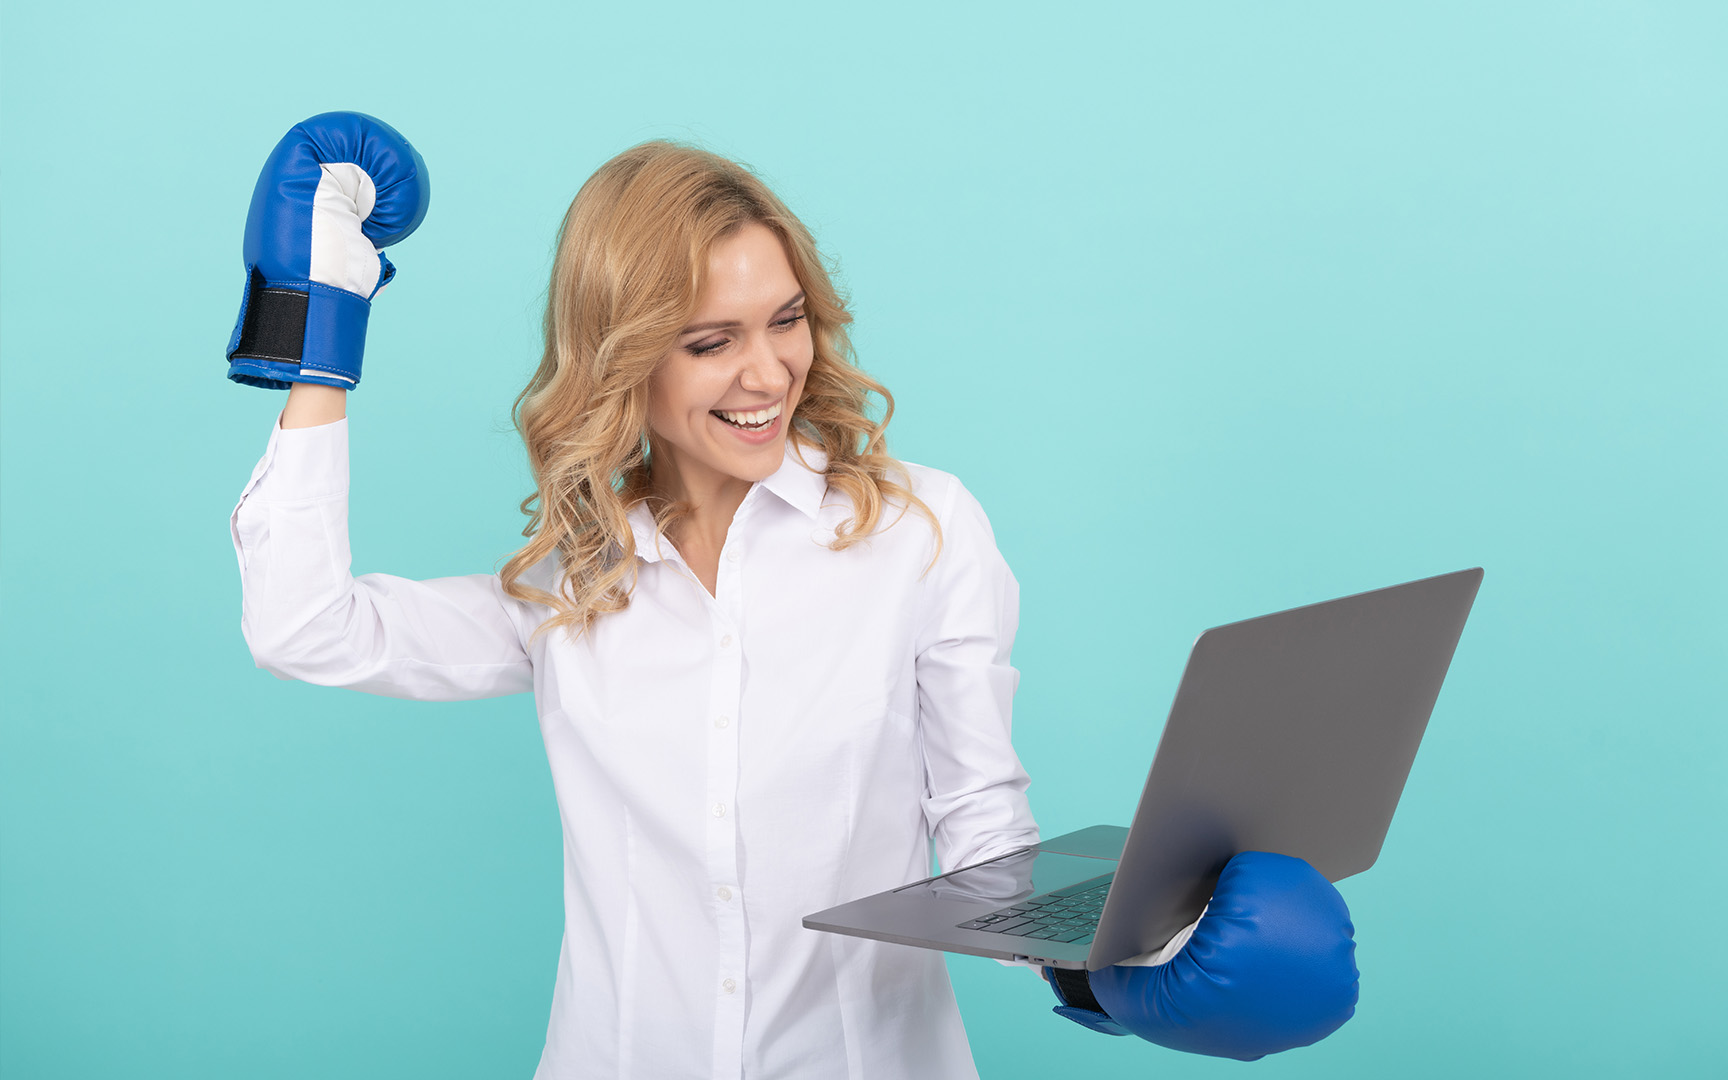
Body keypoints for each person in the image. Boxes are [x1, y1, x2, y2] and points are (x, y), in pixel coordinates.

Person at [226, 113, 1357, 1079]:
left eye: (786, 320)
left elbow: (981, 835)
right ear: (624, 358)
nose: (767, 374)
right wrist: (317, 344)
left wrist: (1134, 949)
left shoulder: (922, 529)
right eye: (710, 341)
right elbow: (305, 628)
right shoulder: (571, 583)